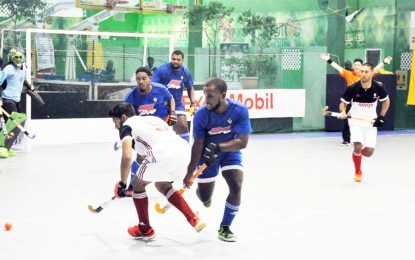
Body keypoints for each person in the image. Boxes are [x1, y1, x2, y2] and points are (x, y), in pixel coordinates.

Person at [109, 103, 206, 240]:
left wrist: (122, 184)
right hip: (185, 152)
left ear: (123, 117)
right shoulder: (153, 119)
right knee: (162, 185)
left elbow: (126, 157)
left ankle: (145, 229)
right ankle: (193, 218)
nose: (115, 126)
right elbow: (148, 150)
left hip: (161, 154)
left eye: (115, 121)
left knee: (137, 185)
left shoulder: (126, 126)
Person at [184, 78, 252, 242]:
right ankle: (205, 198)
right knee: (205, 197)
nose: (205, 100)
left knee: (236, 184)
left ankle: (225, 227)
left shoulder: (239, 110)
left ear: (222, 95)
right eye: (205, 95)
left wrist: (219, 147)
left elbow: (242, 142)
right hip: (206, 155)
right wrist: (189, 173)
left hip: (229, 151)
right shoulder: (201, 115)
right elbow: (198, 144)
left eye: (210, 96)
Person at [320, 53, 392, 146]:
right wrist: (328, 60)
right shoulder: (348, 74)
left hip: (367, 103)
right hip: (351, 101)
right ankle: (347, 140)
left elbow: (376, 68)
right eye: (355, 65)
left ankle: (365, 140)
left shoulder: (368, 74)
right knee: (346, 121)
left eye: (358, 65)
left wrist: (384, 62)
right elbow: (338, 68)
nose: (357, 66)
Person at [124, 66, 176, 192]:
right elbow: (129, 116)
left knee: (166, 154)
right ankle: (131, 185)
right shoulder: (131, 96)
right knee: (140, 157)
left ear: (150, 79)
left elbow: (171, 99)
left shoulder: (161, 89)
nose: (140, 81)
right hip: (144, 130)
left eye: (143, 78)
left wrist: (173, 112)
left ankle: (167, 178)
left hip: (161, 128)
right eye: (138, 79)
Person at [338, 63, 390, 182]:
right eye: (362, 71)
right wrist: (342, 112)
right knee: (358, 146)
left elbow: (386, 102)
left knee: (369, 152)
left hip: (370, 122)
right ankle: (358, 171)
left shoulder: (378, 87)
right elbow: (343, 104)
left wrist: (381, 116)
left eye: (366, 72)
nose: (363, 74)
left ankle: (357, 155)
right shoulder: (352, 87)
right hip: (355, 121)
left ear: (372, 73)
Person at [151, 50, 197, 142]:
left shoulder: (185, 72)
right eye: (173, 59)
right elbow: (153, 86)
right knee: (162, 130)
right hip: (161, 104)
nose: (175, 61)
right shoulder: (162, 70)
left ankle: (186, 150)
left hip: (177, 104)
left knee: (182, 125)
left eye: (178, 59)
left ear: (182, 60)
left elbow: (190, 87)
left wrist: (192, 103)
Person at [0, 48, 32, 158]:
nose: (18, 59)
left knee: (19, 122)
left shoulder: (23, 68)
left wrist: (30, 87)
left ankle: (7, 147)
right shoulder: (7, 68)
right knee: (11, 123)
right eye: (16, 57)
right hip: (6, 99)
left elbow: (22, 79)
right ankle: (2, 147)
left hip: (16, 100)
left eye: (20, 57)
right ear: (11, 58)